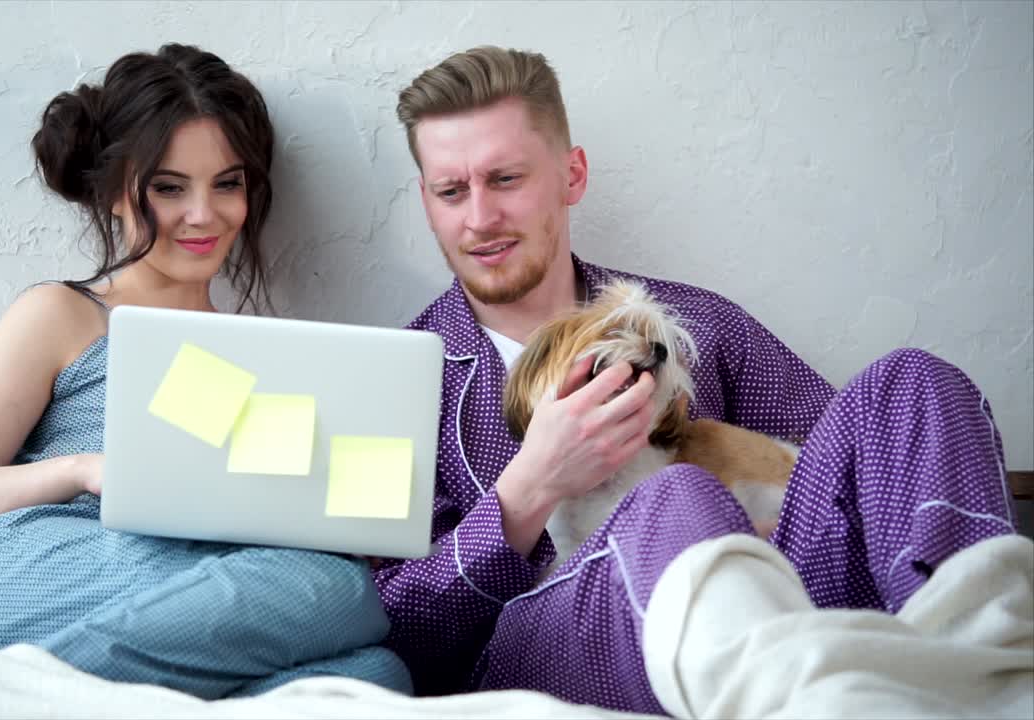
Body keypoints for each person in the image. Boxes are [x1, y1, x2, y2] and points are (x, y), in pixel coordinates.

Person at [373, 45, 1018, 711]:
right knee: (675, 498)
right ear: (426, 201)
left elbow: (854, 474)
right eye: (451, 191)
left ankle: (988, 671)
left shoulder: (698, 327)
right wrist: (529, 487)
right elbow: (398, 630)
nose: (478, 218)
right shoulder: (400, 383)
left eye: (505, 179)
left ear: (572, 176)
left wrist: (757, 542)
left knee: (911, 383)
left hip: (789, 617)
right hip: (555, 645)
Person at [0, 43, 410, 698]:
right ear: (114, 190)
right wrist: (81, 470)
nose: (204, 215)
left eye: (227, 183)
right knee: (339, 594)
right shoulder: (62, 314)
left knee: (374, 674)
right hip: (35, 564)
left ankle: (37, 695)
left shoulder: (272, 356)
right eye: (170, 188)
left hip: (186, 583)